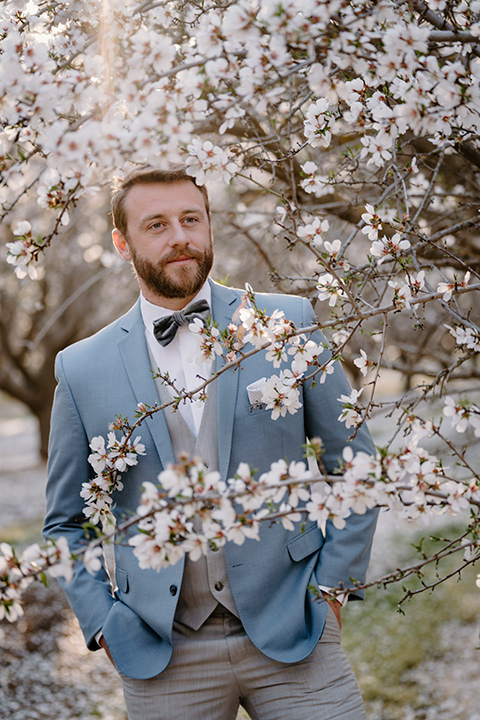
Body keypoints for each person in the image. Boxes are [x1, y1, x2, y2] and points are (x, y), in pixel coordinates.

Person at [43, 165, 378, 720]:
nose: (179, 237)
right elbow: (64, 524)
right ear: (122, 243)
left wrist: (332, 592)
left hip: (295, 628)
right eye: (156, 224)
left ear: (209, 228)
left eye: (191, 219)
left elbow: (356, 465)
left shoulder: (286, 322)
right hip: (162, 652)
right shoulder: (81, 368)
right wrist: (103, 623)